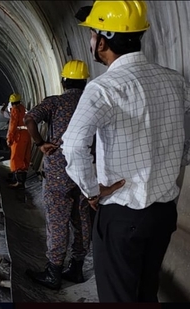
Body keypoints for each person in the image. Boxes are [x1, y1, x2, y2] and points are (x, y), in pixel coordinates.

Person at [62, 0, 190, 302]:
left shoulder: (103, 88)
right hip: (163, 212)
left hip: (122, 214)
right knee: (146, 292)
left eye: (92, 34)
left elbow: (74, 143)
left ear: (102, 41)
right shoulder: (175, 81)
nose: (91, 41)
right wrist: (178, 159)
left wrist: (92, 191)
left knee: (118, 297)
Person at [23, 60, 92, 290]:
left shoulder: (55, 102)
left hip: (58, 172)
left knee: (57, 220)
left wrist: (41, 143)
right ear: (85, 81)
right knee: (81, 219)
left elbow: (29, 119)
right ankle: (77, 267)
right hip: (85, 170)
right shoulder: (92, 101)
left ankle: (53, 271)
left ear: (63, 81)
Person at [6, 93, 31, 188]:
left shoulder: (15, 110)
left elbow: (12, 125)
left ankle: (18, 182)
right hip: (27, 134)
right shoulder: (23, 109)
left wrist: (9, 138)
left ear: (11, 103)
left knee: (16, 158)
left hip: (19, 135)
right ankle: (20, 180)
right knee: (25, 158)